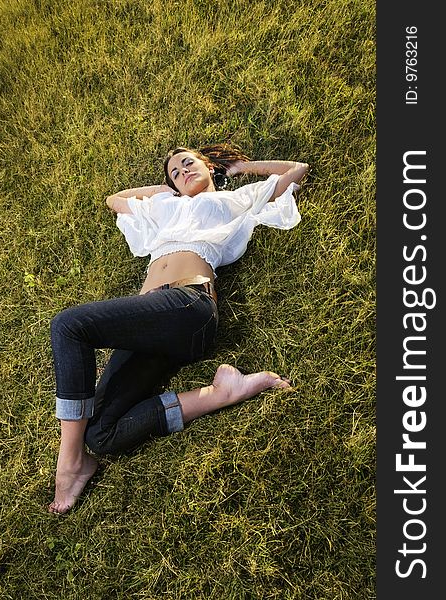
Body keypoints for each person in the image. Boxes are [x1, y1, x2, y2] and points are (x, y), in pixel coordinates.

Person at [48, 143, 309, 514]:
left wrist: (235, 169)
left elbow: (297, 169)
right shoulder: (164, 208)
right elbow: (116, 200)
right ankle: (223, 392)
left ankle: (69, 465)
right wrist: (166, 191)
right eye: (174, 172)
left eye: (188, 163)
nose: (183, 172)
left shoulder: (233, 200)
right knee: (101, 434)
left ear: (207, 165)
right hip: (152, 326)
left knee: (69, 326)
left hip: (188, 307)